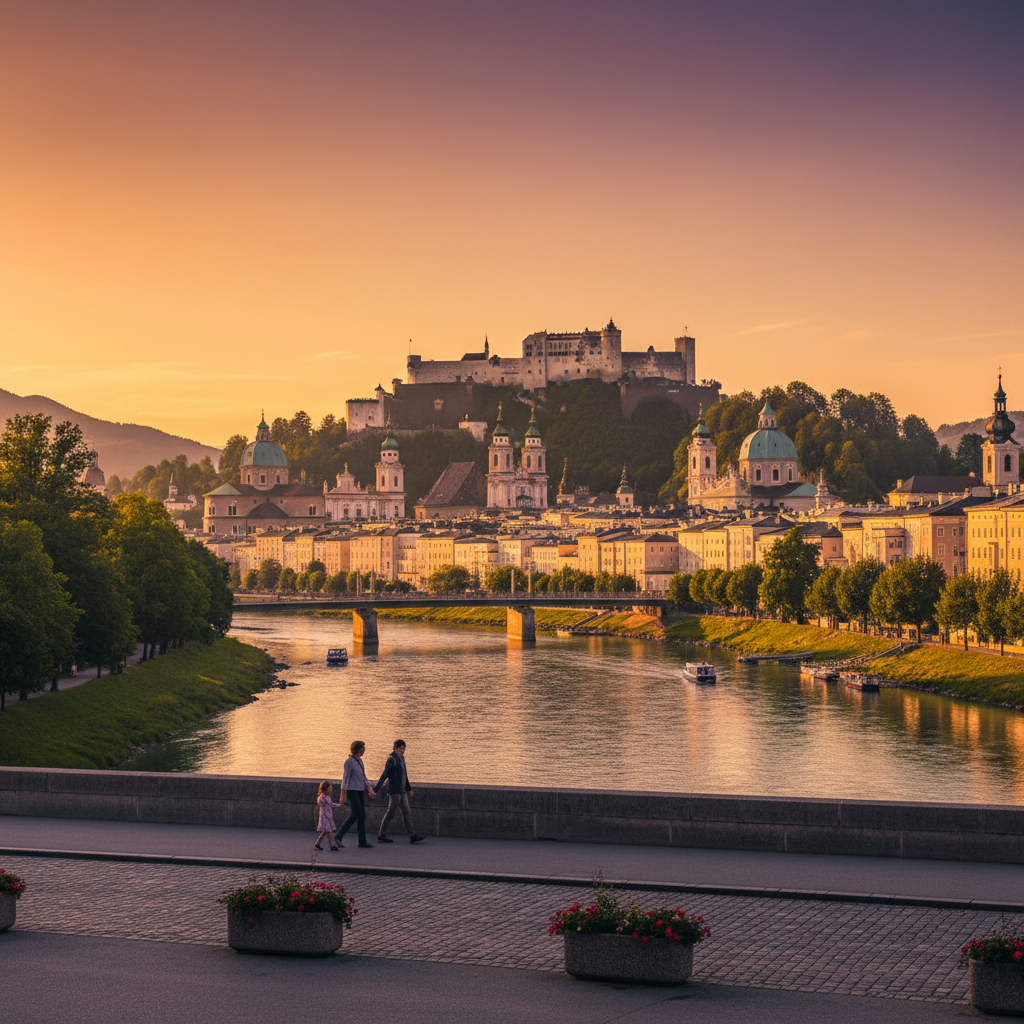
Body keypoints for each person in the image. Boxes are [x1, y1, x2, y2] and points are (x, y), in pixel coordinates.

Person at [375, 739, 424, 844]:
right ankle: (381, 834)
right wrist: (375, 790)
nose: (401, 751)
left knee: (407, 812)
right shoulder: (392, 760)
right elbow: (384, 775)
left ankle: (412, 835)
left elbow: (404, 775)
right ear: (395, 748)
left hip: (402, 791)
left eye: (403, 749)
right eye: (399, 749)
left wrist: (409, 788)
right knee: (390, 812)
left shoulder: (402, 759)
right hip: (394, 791)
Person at [335, 740, 376, 849]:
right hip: (351, 791)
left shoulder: (360, 761)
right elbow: (345, 779)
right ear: (357, 749)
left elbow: (363, 776)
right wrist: (342, 794)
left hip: (360, 790)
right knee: (355, 813)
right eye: (362, 748)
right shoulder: (349, 762)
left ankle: (362, 841)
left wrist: (369, 789)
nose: (364, 751)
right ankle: (338, 837)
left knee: (362, 815)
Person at [314, 780, 342, 851]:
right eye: (329, 788)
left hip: (326, 816)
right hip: (325, 817)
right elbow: (331, 804)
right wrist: (339, 805)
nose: (331, 790)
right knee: (329, 831)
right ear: (325, 789)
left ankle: (318, 843)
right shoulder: (325, 798)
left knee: (325, 832)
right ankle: (332, 845)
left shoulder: (322, 797)